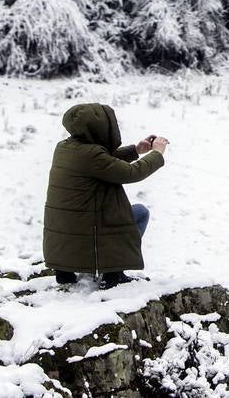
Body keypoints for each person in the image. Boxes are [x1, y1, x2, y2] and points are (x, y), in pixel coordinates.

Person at [43, 103, 168, 289]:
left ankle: (65, 271)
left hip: (65, 238)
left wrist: (136, 150)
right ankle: (114, 272)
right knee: (139, 213)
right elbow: (131, 173)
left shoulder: (65, 147)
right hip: (88, 232)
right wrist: (157, 153)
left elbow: (104, 161)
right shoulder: (92, 155)